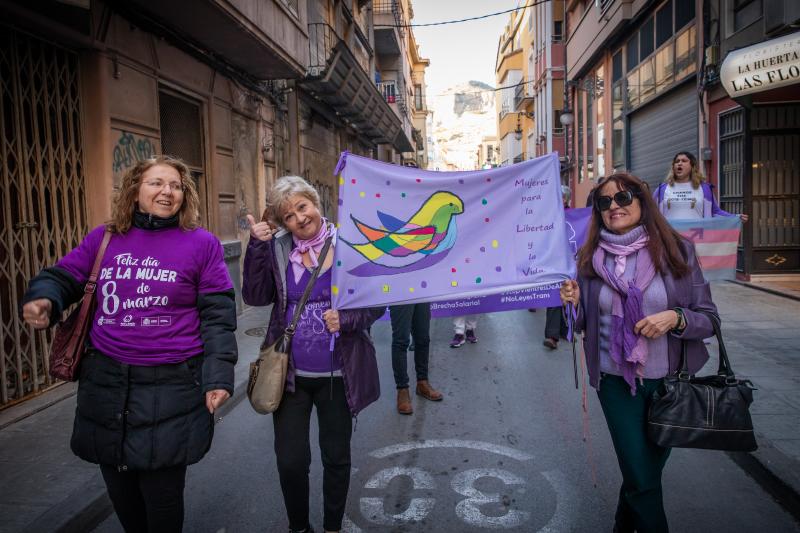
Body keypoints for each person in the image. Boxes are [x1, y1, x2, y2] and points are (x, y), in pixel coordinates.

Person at [21, 156, 237, 532]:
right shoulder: (105, 238)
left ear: (185, 195)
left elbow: (218, 314)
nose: (166, 191)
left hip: (172, 386)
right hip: (106, 385)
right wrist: (45, 298)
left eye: (175, 185)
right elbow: (63, 276)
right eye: (156, 183)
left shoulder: (202, 244)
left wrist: (217, 376)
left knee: (162, 499)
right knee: (122, 493)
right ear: (135, 190)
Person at [560, 172, 719, 533]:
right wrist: (571, 304)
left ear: (642, 202)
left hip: (671, 385)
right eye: (604, 202)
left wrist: (674, 318)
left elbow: (709, 319)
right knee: (642, 477)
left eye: (623, 198)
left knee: (641, 474)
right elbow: (580, 323)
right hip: (616, 383)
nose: (614, 207)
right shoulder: (587, 259)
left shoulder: (678, 252)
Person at [242, 175, 382, 533]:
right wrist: (256, 246)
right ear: (282, 222)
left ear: (315, 202)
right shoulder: (276, 248)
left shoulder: (350, 244)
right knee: (290, 462)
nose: (299, 219)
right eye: (288, 216)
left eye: (302, 207)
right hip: (289, 376)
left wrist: (349, 318)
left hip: (339, 375)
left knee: (336, 459)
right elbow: (256, 297)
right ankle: (299, 528)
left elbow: (377, 302)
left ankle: (333, 527)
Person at [653, 151, 748, 222]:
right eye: (677, 161)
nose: (679, 163)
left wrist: (735, 218)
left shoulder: (704, 188)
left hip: (697, 240)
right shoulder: (662, 189)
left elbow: (715, 212)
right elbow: (650, 213)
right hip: (669, 240)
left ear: (692, 166)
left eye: (684, 161)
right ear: (673, 166)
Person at [390, 303, 442, 414]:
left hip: (421, 291)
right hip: (399, 292)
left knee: (423, 338)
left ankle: (422, 383)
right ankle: (402, 389)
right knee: (401, 341)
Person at [543, 186, 573, 349]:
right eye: (558, 196)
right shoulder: (548, 215)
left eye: (563, 197)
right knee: (554, 296)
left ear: (566, 199)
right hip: (553, 261)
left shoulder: (574, 215)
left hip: (570, 261)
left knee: (568, 296)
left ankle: (564, 329)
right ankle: (552, 336)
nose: (560, 199)